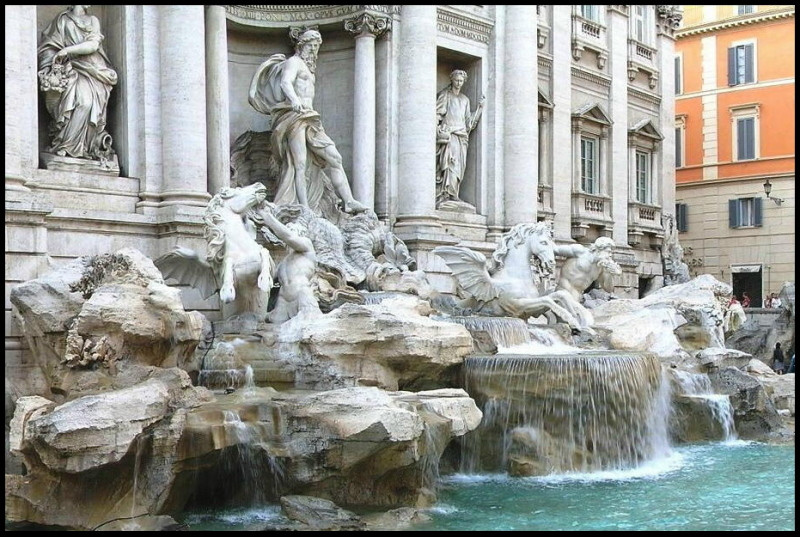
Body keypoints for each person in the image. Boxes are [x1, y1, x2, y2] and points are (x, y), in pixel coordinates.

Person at [248, 29, 367, 215]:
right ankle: (304, 208)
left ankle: (349, 201)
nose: (313, 50)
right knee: (300, 164)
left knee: (335, 158)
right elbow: (285, 82)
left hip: (310, 118)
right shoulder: (293, 62)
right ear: (301, 45)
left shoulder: (309, 68)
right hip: (294, 117)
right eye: (310, 46)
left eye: (316, 47)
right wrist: (294, 99)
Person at [37, 5, 118, 161]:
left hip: (94, 69)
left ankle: (82, 147)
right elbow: (49, 46)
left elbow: (94, 45)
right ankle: (66, 145)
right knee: (80, 103)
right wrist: (52, 61)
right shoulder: (61, 20)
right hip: (71, 69)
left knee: (86, 104)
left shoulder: (92, 20)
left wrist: (67, 50)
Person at [256, 202, 322, 323]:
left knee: (310, 326)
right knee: (274, 331)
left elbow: (288, 237)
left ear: (301, 233)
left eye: (292, 230)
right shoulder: (283, 262)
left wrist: (267, 217)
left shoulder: (307, 248)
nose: (289, 232)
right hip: (283, 300)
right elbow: (267, 279)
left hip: (301, 294)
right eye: (288, 229)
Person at [435, 69, 485, 207]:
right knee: (449, 165)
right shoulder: (445, 95)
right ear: (452, 79)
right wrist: (438, 130)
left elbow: (469, 122)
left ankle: (454, 193)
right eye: (456, 80)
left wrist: (480, 108)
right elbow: (437, 115)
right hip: (450, 135)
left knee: (458, 168)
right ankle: (445, 194)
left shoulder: (465, 100)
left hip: (462, 137)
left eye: (461, 81)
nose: (458, 83)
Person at [552, 237, 622, 301]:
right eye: (608, 251)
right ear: (599, 249)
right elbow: (555, 250)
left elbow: (608, 289)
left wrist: (609, 273)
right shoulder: (580, 251)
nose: (610, 255)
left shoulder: (601, 267)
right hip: (564, 289)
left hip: (578, 295)